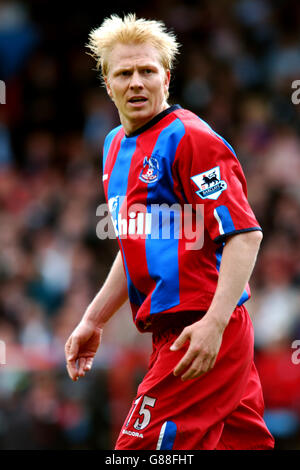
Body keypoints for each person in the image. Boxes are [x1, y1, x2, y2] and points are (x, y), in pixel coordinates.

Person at [65, 13, 275, 450]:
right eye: (124, 73)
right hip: (174, 332)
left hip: (202, 328)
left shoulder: (191, 139)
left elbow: (244, 235)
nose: (136, 82)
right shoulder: (112, 147)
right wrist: (93, 319)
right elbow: (136, 248)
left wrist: (214, 325)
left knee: (136, 451)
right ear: (108, 83)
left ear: (167, 77)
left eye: (147, 70)